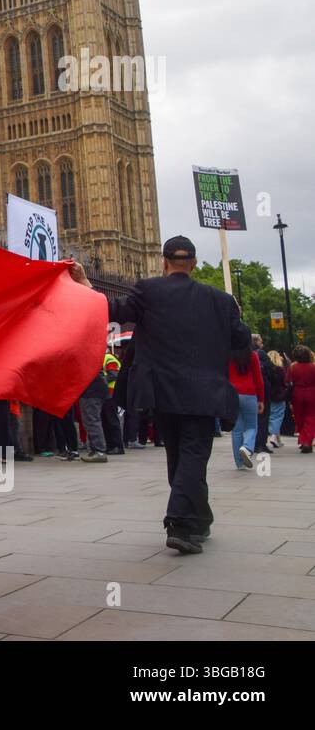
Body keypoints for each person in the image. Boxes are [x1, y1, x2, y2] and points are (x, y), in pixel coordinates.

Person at [70, 236, 250, 555]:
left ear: (164, 262)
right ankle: (181, 522)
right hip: (203, 393)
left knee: (179, 456)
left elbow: (108, 309)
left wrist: (84, 282)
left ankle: (199, 518)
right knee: (193, 456)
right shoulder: (220, 301)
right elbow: (241, 341)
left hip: (162, 392)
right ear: (193, 264)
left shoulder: (148, 291)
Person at [227, 343, 265, 471]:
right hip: (249, 393)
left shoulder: (227, 354)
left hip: (232, 393)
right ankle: (247, 447)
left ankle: (239, 462)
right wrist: (261, 399)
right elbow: (258, 378)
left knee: (236, 429)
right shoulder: (252, 355)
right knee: (251, 426)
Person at [286, 345, 315, 453]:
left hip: (297, 394)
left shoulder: (293, 367)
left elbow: (287, 380)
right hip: (312, 394)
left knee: (300, 418)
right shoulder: (313, 367)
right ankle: (307, 441)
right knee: (311, 418)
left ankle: (303, 441)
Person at [78, 364, 109, 463]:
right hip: (94, 390)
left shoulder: (85, 356)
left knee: (91, 421)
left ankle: (99, 451)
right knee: (90, 421)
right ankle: (95, 449)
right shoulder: (91, 354)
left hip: (91, 391)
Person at [260, 344, 289, 451]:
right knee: (277, 417)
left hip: (268, 396)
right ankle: (273, 436)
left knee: (271, 416)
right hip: (279, 396)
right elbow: (285, 383)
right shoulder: (280, 370)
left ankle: (278, 439)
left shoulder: (266, 369)